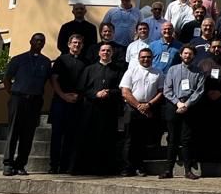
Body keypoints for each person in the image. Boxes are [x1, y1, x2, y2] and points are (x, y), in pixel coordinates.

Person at [1, 33, 52, 176]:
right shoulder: (18, 59)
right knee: (13, 132)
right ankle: (8, 163)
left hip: (35, 101)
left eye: (42, 41)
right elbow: (7, 78)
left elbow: (51, 80)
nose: (39, 43)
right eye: (36, 40)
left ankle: (20, 164)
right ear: (30, 41)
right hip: (18, 99)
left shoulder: (46, 62)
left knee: (28, 135)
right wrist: (12, 93)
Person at [72, 43, 124, 175]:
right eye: (103, 50)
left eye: (108, 51)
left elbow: (121, 89)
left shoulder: (118, 70)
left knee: (107, 139)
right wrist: (95, 94)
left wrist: (109, 92)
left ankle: (105, 168)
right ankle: (85, 168)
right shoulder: (89, 69)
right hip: (90, 109)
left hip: (109, 110)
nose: (105, 52)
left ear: (112, 53)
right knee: (88, 138)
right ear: (99, 53)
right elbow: (82, 88)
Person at [119, 48, 164, 177]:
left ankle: (140, 166)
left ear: (152, 58)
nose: (146, 59)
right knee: (129, 140)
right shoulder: (131, 71)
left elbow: (161, 92)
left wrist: (148, 105)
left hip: (149, 108)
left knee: (142, 140)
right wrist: (139, 106)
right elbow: (125, 92)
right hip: (132, 108)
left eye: (148, 57)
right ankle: (127, 167)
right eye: (143, 57)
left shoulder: (158, 72)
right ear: (139, 58)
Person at [161, 45, 204, 179]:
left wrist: (187, 104)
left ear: (193, 56)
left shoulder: (198, 72)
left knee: (186, 140)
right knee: (172, 139)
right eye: (185, 53)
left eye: (190, 54)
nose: (187, 56)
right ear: (181, 55)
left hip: (190, 107)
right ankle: (169, 170)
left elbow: (199, 91)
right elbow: (167, 90)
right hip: (174, 105)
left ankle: (188, 170)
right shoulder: (172, 70)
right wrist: (178, 103)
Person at [48, 34, 86, 174]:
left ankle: (65, 165)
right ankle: (53, 165)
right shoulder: (61, 60)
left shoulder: (85, 62)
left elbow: (87, 83)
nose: (77, 45)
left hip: (77, 103)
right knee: (57, 136)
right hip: (60, 102)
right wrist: (63, 95)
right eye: (74, 42)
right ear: (69, 44)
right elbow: (54, 79)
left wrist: (78, 96)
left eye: (79, 43)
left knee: (72, 136)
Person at [199, 39, 221, 161]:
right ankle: (205, 155)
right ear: (210, 48)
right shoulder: (203, 63)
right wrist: (207, 92)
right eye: (214, 47)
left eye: (219, 47)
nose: (216, 49)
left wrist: (220, 91)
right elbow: (198, 79)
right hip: (205, 100)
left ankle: (220, 155)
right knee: (206, 129)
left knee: (220, 129)